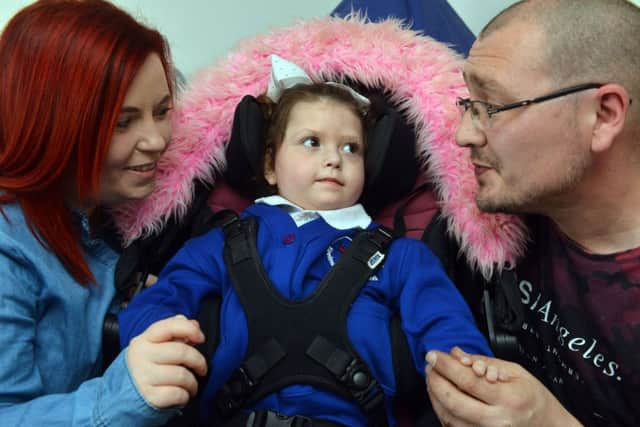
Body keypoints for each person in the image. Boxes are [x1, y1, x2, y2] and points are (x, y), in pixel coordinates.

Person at [118, 55, 494, 427]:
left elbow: (444, 324)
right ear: (270, 165)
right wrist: (157, 345)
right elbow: (159, 303)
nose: (333, 158)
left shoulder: (401, 256)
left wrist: (469, 375)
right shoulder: (222, 243)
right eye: (312, 142)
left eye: (351, 148)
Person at [425, 0, 640, 426]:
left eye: (491, 106)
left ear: (603, 115)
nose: (464, 133)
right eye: (468, 103)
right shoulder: (495, 223)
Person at [0, 1, 207, 426]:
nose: (155, 139)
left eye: (162, 111)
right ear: (52, 124)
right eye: (122, 122)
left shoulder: (115, 211)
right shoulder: (8, 251)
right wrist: (125, 396)